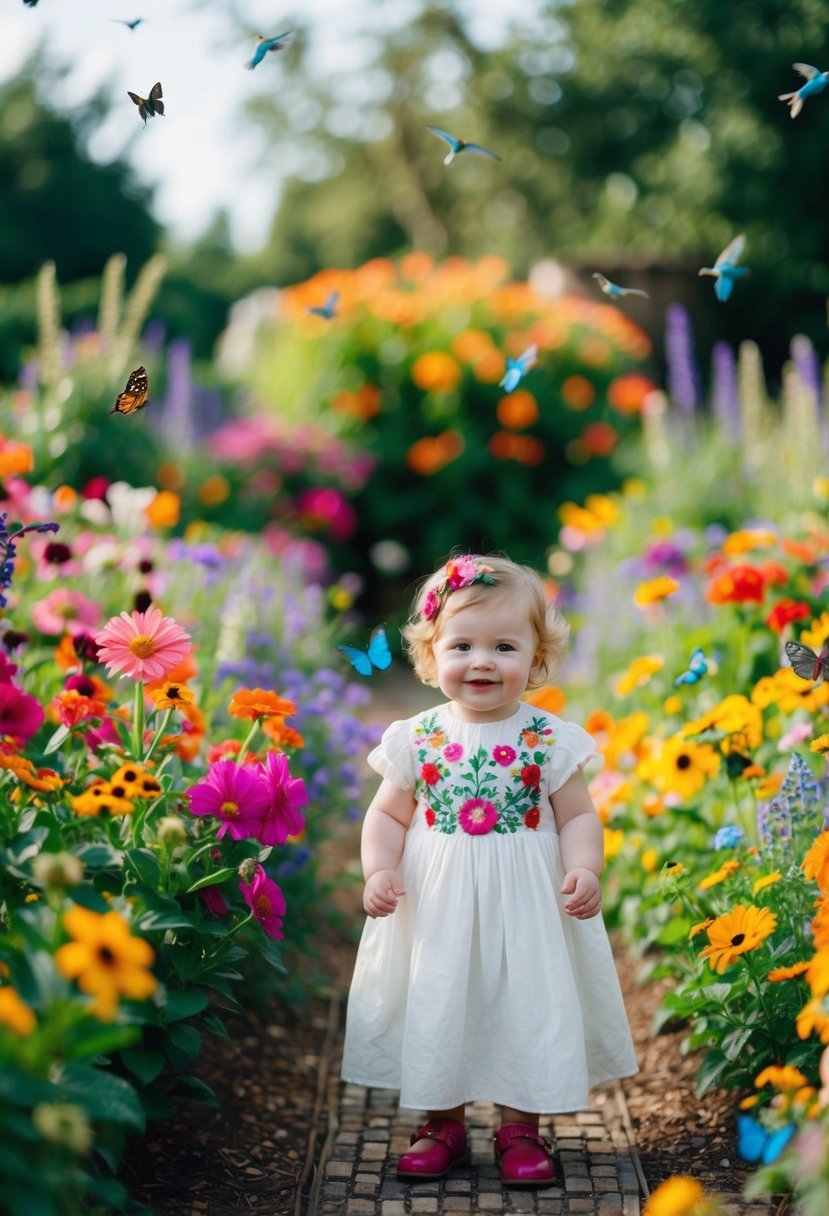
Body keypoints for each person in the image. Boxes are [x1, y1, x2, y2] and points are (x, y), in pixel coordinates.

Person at [341, 553, 638, 1188]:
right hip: (436, 901)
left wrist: (585, 868)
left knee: (521, 999)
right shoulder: (418, 738)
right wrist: (377, 872)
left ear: (534, 660)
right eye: (463, 645)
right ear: (430, 654)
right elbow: (387, 817)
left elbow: (579, 815)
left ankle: (520, 1126)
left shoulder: (549, 739)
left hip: (526, 901)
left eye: (504, 646)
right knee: (441, 995)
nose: (482, 661)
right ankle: (441, 1122)